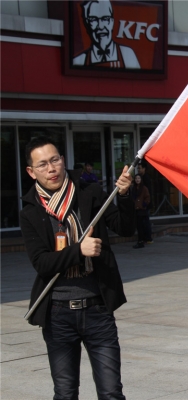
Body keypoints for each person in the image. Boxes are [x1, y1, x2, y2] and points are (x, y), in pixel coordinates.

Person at [20, 136, 135, 399]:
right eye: (42, 164)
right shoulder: (30, 212)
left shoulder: (89, 193)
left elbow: (126, 228)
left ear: (63, 160)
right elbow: (42, 263)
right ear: (31, 171)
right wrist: (78, 250)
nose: (51, 168)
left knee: (111, 392)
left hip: (97, 310)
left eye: (55, 160)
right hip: (58, 315)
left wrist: (125, 195)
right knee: (65, 393)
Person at [72, 0, 140, 69]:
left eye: (105, 19)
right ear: (87, 23)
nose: (100, 26)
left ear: (112, 22)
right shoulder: (79, 60)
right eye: (93, 19)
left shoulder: (127, 54)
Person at [131, 173, 151, 249]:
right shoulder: (134, 188)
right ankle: (140, 240)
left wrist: (143, 205)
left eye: (139, 178)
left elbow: (147, 198)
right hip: (136, 209)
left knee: (141, 226)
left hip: (142, 210)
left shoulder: (144, 188)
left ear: (141, 179)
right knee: (138, 226)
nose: (137, 180)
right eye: (136, 178)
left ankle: (141, 241)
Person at [137, 161, 153, 244]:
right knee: (143, 221)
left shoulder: (145, 178)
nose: (138, 170)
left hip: (145, 203)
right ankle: (146, 237)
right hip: (143, 203)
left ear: (144, 169)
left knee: (145, 221)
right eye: (138, 168)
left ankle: (148, 237)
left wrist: (145, 203)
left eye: (140, 168)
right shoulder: (142, 177)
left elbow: (147, 193)